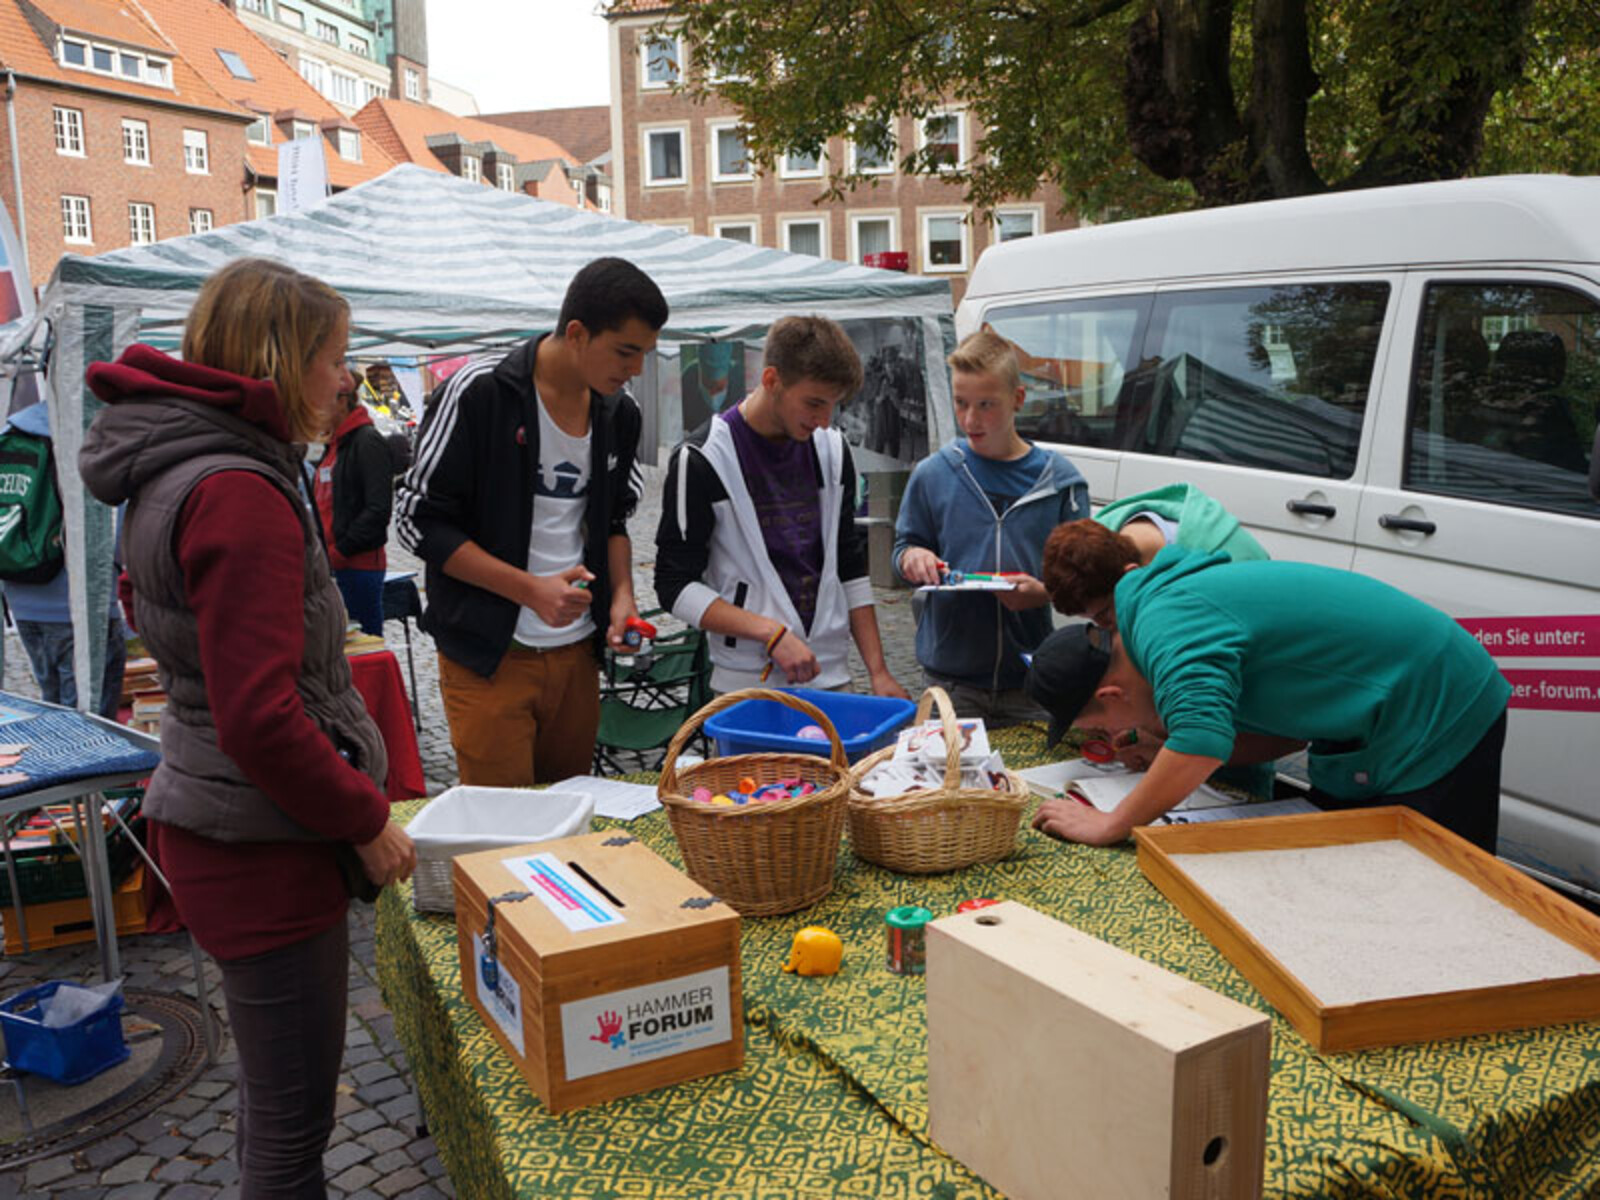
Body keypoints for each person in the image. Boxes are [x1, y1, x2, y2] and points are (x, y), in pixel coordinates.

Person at [79, 257, 416, 1197]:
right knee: (291, 1124)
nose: (348, 380)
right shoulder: (237, 486)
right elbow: (261, 717)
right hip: (259, 845)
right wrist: (363, 816)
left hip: (227, 821)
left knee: (279, 1111)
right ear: (282, 359)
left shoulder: (189, 464)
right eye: (335, 358)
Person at [1025, 547, 1511, 852]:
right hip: (1384, 710)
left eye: (1098, 729)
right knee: (1341, 858)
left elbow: (1199, 742)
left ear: (1110, 693)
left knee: (1432, 881)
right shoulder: (1157, 621)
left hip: (1439, 703)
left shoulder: (1163, 629)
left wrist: (1112, 823)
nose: (1111, 738)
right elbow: (1281, 737)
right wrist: (1160, 756)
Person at [395, 256, 666, 785]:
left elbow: (614, 521)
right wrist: (529, 590)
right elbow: (416, 522)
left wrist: (622, 598)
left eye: (644, 355)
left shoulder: (620, 412)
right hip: (488, 656)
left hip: (576, 656)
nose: (634, 369)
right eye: (625, 351)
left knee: (567, 820)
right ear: (577, 333)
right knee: (503, 837)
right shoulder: (479, 391)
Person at [656, 315, 908, 697]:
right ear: (771, 380)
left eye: (834, 406)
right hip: (748, 681)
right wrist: (769, 632)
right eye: (814, 403)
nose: (824, 421)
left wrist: (878, 670)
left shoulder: (832, 449)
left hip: (829, 672)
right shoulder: (702, 457)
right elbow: (673, 586)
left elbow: (849, 564)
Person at [894, 329, 1088, 723]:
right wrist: (913, 558)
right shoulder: (934, 474)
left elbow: (1086, 581)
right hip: (951, 684)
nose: (970, 419)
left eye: (986, 405)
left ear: (1018, 399)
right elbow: (903, 548)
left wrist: (1044, 592)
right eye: (960, 403)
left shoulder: (1061, 482)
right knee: (951, 783)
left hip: (1031, 681)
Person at [1, 401, 126, 718]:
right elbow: (119, 533)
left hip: (23, 598)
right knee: (93, 730)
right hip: (84, 604)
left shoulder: (10, 432)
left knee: (53, 710)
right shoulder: (91, 436)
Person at [312, 382, 392, 635]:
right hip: (333, 564)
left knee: (363, 643)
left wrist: (340, 551)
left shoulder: (367, 441)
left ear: (343, 400)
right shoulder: (334, 443)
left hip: (358, 566)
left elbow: (378, 509)